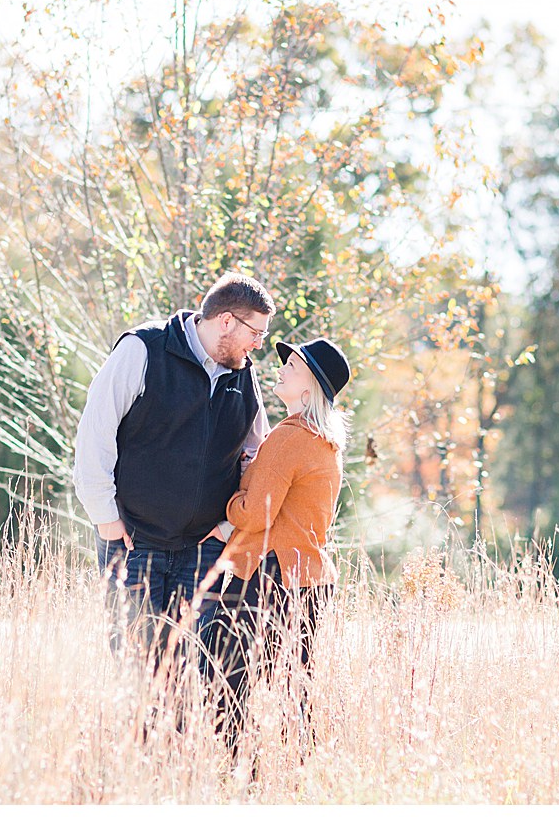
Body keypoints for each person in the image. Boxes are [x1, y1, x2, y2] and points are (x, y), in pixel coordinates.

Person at [73, 272, 276, 663]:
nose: (258, 344)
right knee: (134, 666)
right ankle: (137, 729)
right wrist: (106, 518)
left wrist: (230, 527)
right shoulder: (144, 349)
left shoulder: (244, 375)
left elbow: (259, 456)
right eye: (257, 333)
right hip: (133, 542)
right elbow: (95, 432)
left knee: (185, 675)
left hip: (202, 551)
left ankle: (177, 730)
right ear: (227, 321)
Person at [205, 335, 352, 758]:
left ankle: (235, 775)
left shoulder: (289, 437)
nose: (283, 367)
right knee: (294, 688)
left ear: (309, 390)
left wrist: (231, 506)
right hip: (307, 578)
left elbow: (257, 513)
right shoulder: (323, 441)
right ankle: (297, 775)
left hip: (267, 576)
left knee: (229, 684)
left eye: (294, 366)